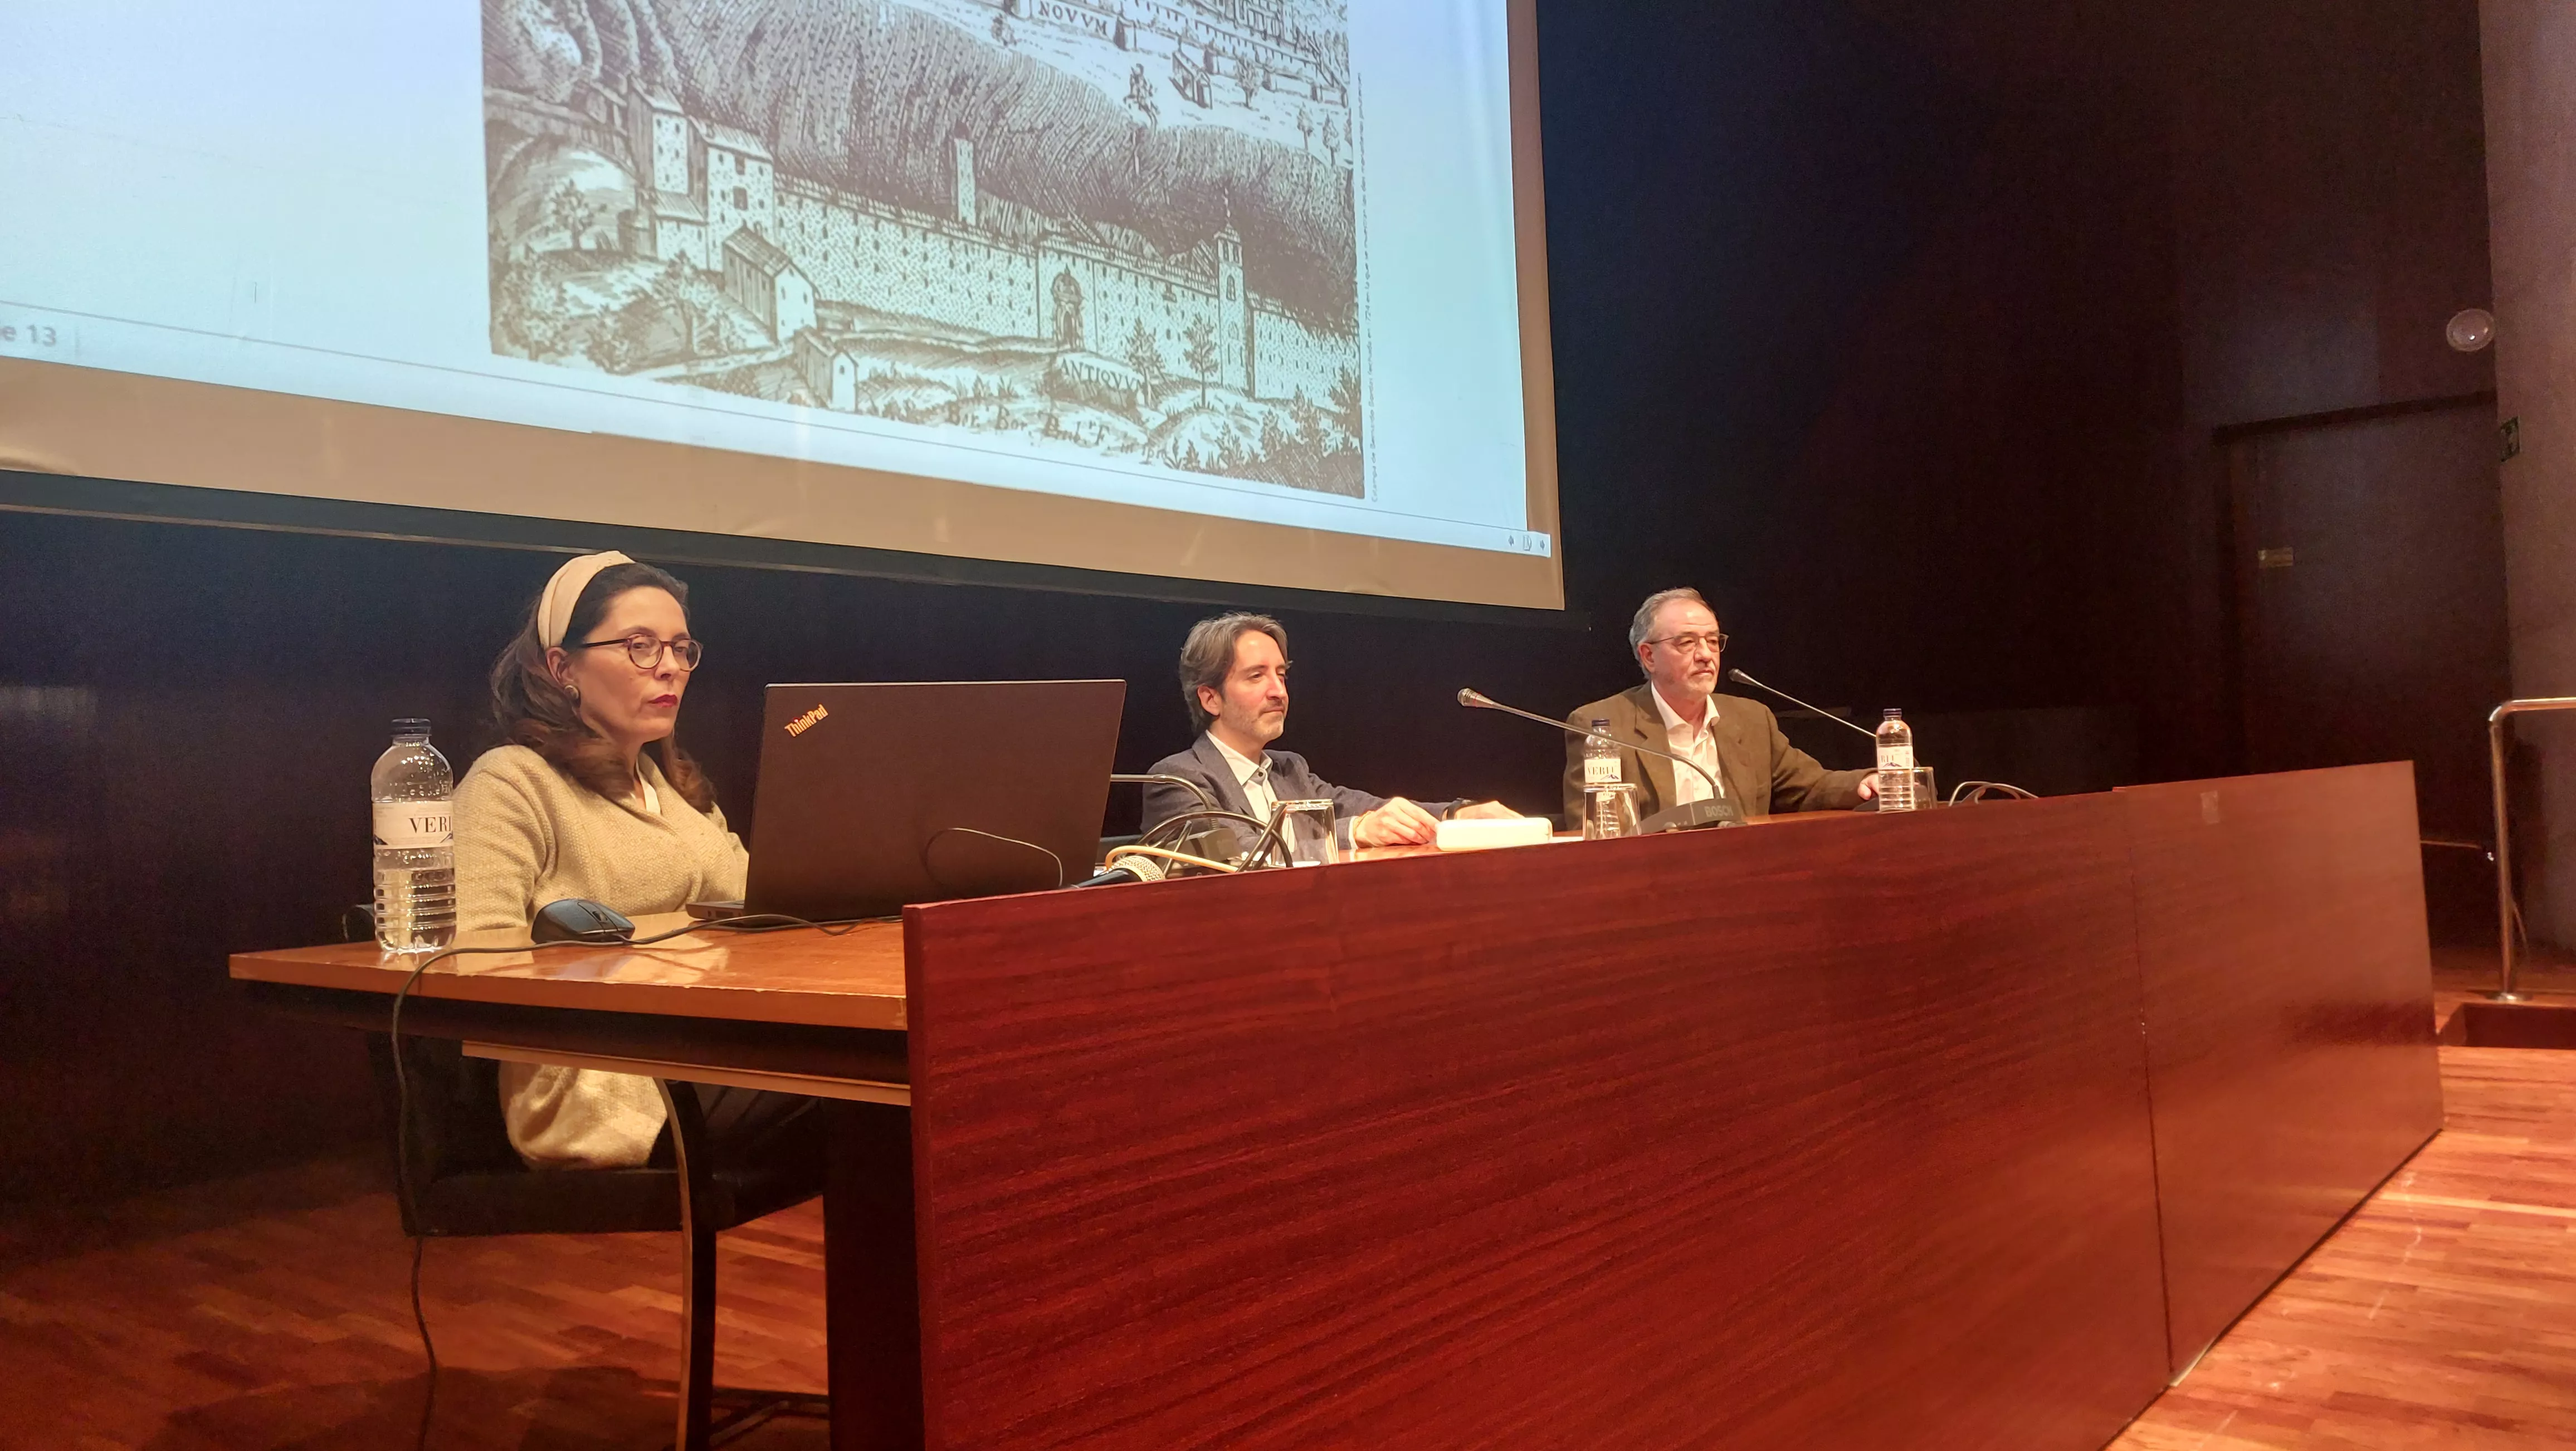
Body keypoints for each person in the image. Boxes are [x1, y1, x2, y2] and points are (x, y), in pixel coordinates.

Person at [454, 551, 814, 1170]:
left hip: (717, 1048)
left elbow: (763, 909)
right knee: (879, 1095)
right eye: (640, 646)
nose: (669, 668)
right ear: (561, 665)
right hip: (604, 1086)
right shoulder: (510, 782)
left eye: (681, 648)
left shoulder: (675, 788)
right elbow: (473, 958)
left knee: (911, 1078)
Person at [1141, 612, 1521, 854]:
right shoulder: (1179, 779)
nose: (1278, 690)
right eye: (1257, 676)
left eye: (1281, 674)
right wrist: (1356, 832)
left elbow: (1362, 807)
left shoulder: (1289, 770)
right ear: (1210, 698)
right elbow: (1232, 856)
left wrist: (1458, 813)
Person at [1562, 588, 1874, 822]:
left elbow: (1810, 787)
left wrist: (1868, 782)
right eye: (1687, 642)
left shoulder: (1751, 718)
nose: (1706, 655)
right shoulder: (1603, 727)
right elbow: (1593, 828)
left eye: (1712, 641)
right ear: (1649, 656)